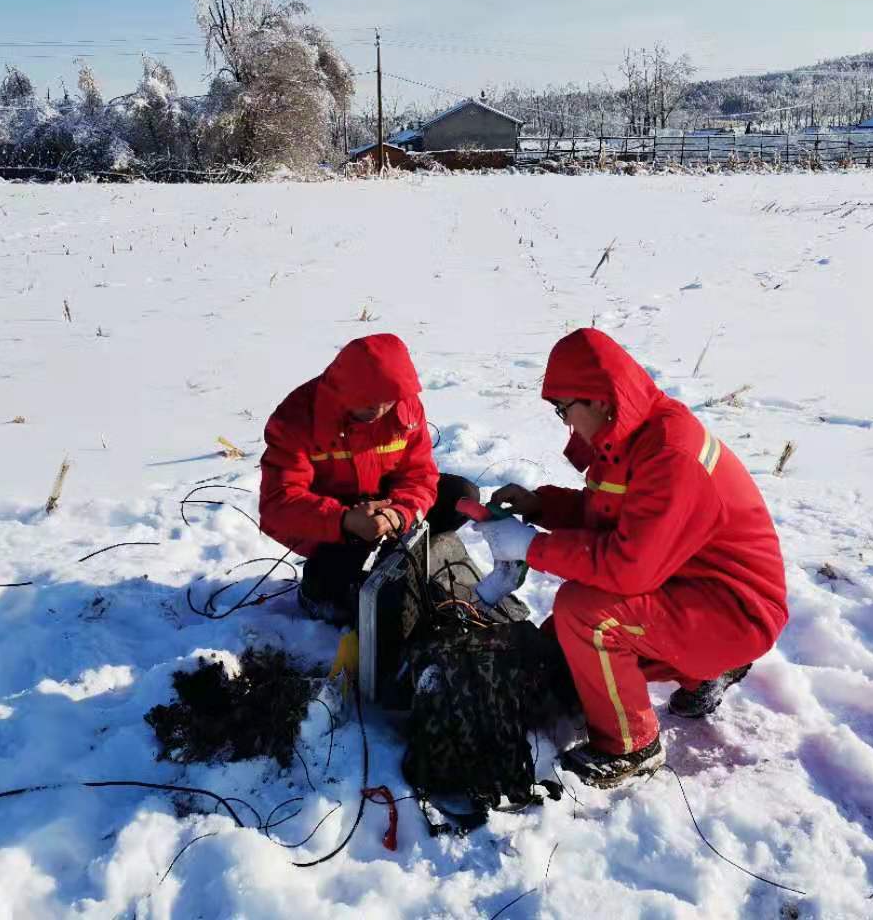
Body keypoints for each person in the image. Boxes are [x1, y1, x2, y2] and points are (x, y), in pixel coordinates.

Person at [476, 328, 788, 788]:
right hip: (690, 588)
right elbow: (608, 516)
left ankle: (631, 746)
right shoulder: (629, 438)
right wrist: (540, 506)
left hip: (735, 611)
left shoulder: (670, 455)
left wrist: (530, 548)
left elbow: (627, 567)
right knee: (567, 648)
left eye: (565, 409)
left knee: (585, 614)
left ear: (599, 399)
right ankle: (704, 668)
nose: (565, 422)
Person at [259, 333, 478, 626]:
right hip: (333, 519)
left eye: (387, 400)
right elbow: (278, 504)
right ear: (343, 388)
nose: (378, 410)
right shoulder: (298, 417)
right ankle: (318, 590)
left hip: (385, 503)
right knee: (333, 592)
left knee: (461, 496)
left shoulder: (405, 406)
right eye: (367, 401)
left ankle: (394, 561)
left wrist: (399, 514)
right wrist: (345, 521)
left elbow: (419, 474)